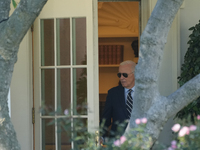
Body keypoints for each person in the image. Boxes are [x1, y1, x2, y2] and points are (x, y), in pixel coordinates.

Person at [100, 60, 136, 143]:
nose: (121, 78)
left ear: (135, 74)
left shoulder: (144, 93)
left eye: (125, 75)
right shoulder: (113, 93)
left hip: (140, 141)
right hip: (118, 142)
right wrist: (101, 136)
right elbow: (106, 119)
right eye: (119, 75)